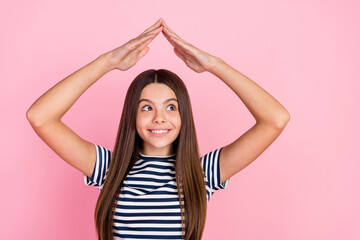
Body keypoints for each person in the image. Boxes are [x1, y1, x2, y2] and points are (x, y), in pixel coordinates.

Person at [26, 18, 290, 240]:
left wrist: (214, 65)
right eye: (147, 107)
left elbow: (276, 119)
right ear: (132, 115)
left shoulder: (203, 173)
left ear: (184, 116)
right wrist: (107, 62)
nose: (160, 118)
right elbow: (40, 116)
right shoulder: (109, 168)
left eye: (171, 107)